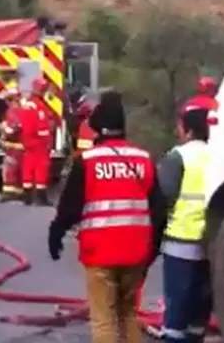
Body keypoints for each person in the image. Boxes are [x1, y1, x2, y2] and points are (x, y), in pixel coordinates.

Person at [47, 91, 167, 343]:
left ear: (98, 129)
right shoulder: (143, 159)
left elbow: (70, 208)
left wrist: (56, 235)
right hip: (136, 253)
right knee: (129, 314)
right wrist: (151, 251)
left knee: (103, 319)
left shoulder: (88, 161)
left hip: (100, 252)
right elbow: (158, 209)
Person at [145, 109, 213, 343]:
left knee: (177, 309)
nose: (177, 131)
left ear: (189, 130)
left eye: (180, 127)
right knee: (199, 311)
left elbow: (163, 198)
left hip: (180, 242)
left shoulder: (179, 156)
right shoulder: (219, 154)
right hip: (210, 242)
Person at [19, 78, 54, 206]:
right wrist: (48, 140)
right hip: (39, 142)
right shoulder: (40, 107)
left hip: (27, 140)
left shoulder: (26, 104)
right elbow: (42, 126)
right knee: (41, 167)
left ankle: (27, 196)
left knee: (28, 166)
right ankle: (41, 197)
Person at [0, 88, 24, 202]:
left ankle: (8, 193)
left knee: (10, 168)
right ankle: (19, 192)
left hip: (13, 145)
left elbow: (14, 127)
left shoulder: (12, 111)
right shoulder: (23, 109)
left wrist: (4, 134)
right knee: (19, 169)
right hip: (22, 145)